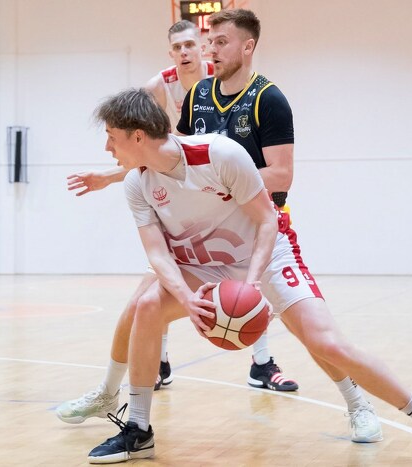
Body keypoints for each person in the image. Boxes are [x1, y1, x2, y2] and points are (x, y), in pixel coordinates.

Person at [86, 87, 412, 466]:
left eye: (111, 137)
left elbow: (266, 221)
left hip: (268, 256)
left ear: (138, 136)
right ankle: (138, 428)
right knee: (147, 306)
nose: (107, 148)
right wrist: (187, 299)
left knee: (327, 343)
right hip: (206, 265)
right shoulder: (138, 183)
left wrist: (251, 284)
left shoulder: (220, 154)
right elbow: (157, 254)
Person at [56, 20, 297, 427]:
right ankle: (140, 376)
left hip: (240, 209)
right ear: (170, 53)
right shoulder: (171, 90)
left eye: (196, 44)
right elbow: (155, 154)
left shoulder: (245, 94)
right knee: (144, 302)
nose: (190, 52)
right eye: (179, 46)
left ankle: (267, 363)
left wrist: (226, 184)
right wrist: (109, 177)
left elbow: (195, 158)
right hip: (189, 210)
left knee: (277, 309)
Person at [175, 9, 382, 442]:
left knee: (310, 332)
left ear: (248, 46)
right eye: (210, 42)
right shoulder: (196, 97)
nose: (211, 50)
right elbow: (180, 158)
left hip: (263, 228)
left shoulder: (269, 99)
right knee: (145, 304)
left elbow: (282, 174)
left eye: (221, 42)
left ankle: (357, 402)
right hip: (212, 232)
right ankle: (126, 404)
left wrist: (223, 182)